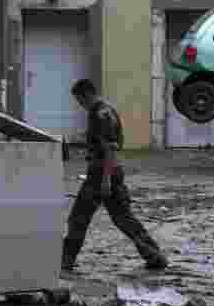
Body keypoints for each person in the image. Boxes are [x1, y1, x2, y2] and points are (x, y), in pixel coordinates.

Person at [61, 79, 168, 272]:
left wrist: (106, 180)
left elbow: (109, 149)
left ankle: (65, 261)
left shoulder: (99, 114)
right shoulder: (105, 111)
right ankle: (154, 255)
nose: (80, 105)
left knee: (78, 219)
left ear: (86, 95)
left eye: (79, 100)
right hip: (107, 172)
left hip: (102, 174)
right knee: (123, 218)